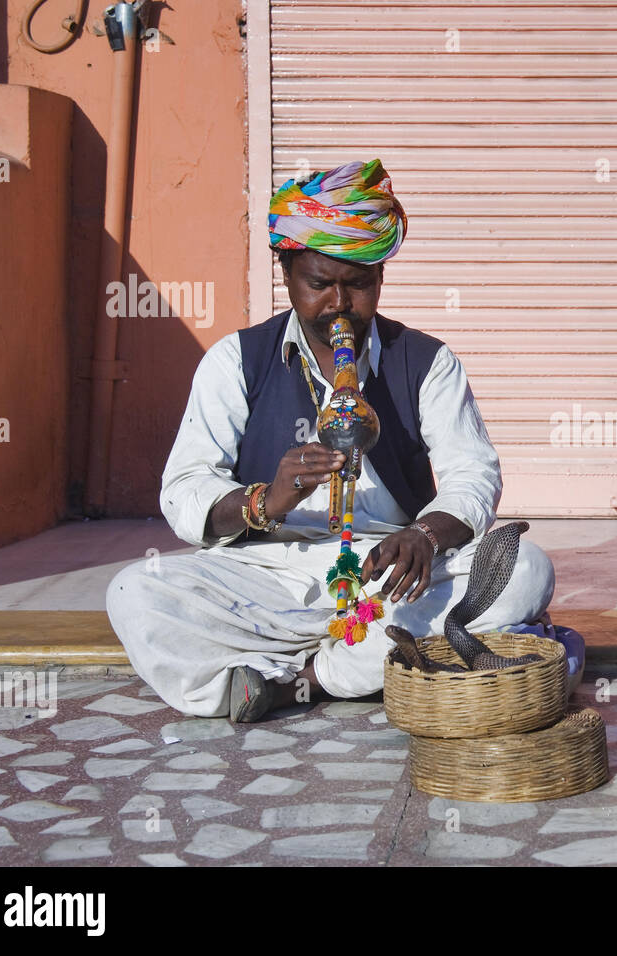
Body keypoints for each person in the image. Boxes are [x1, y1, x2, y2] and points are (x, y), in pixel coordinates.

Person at [106, 159, 555, 722]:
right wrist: (264, 501)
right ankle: (363, 662)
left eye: (359, 285)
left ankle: (305, 679)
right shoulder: (235, 361)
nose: (340, 306)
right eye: (319, 284)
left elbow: (473, 477)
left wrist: (424, 533)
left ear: (379, 280)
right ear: (287, 273)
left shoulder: (427, 362)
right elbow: (184, 489)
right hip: (269, 574)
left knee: (525, 570)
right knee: (135, 591)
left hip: (387, 575)